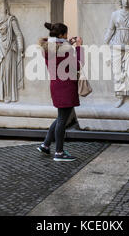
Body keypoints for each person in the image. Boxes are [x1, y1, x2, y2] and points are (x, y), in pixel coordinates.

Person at [37, 22, 83, 162]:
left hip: (55, 85)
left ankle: (45, 145)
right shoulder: (66, 49)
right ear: (62, 35)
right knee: (62, 119)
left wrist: (68, 44)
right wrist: (79, 46)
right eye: (66, 34)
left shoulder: (47, 48)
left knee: (60, 117)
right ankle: (59, 152)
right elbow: (79, 64)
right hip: (66, 86)